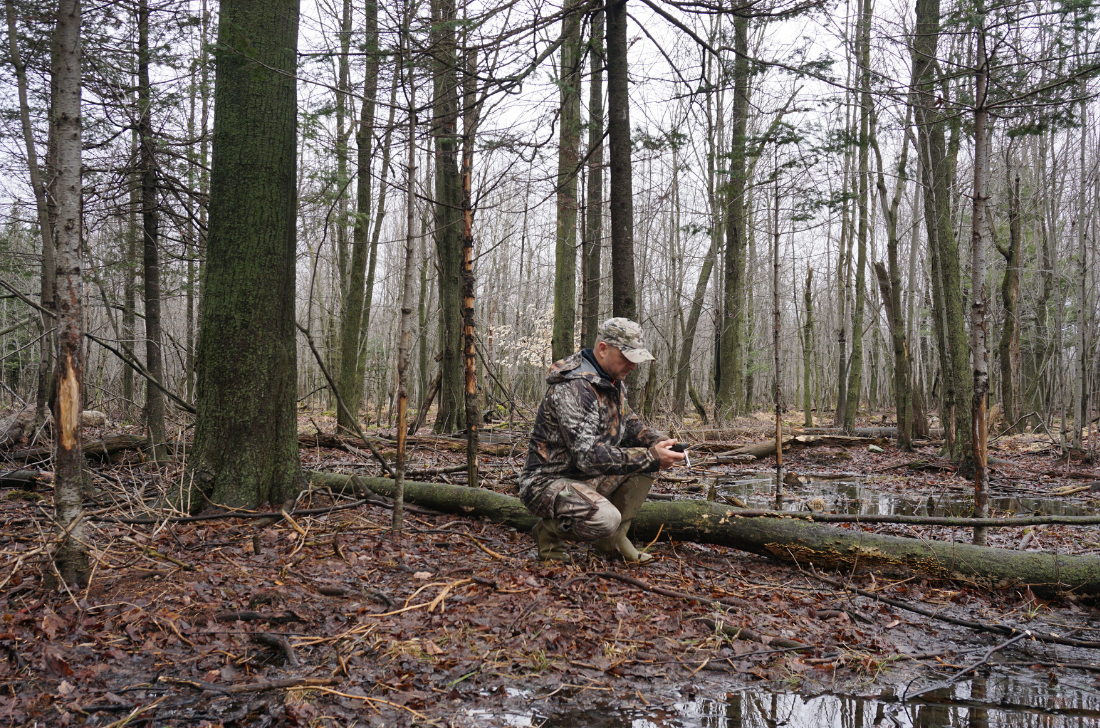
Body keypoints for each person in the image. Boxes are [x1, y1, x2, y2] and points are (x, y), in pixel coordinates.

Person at [518, 318, 686, 563]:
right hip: (547, 482)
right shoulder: (575, 387)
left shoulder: (611, 382)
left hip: (585, 477)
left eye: (636, 358)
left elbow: (629, 425)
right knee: (606, 518)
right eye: (627, 357)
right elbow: (587, 457)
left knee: (646, 467)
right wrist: (650, 456)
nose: (633, 366)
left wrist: (660, 442)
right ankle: (548, 532)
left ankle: (614, 541)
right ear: (603, 349)